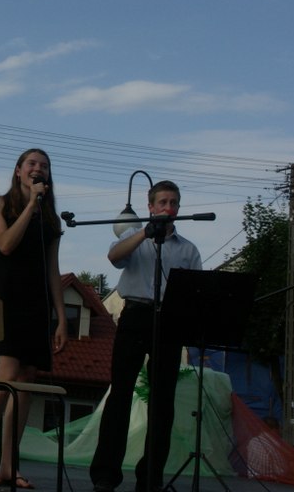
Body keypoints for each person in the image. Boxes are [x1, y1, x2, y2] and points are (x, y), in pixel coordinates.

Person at [90, 180, 202, 492]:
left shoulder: (188, 249)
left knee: (163, 402)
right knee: (120, 394)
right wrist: (145, 233)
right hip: (136, 314)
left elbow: (194, 292)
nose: (168, 207)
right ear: (151, 207)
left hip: (169, 321)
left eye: (173, 203)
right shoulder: (134, 235)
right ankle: (105, 475)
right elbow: (114, 257)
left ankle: (150, 478)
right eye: (162, 202)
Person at [0, 148, 68, 489]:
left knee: (25, 382)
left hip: (37, 304)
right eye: (32, 164)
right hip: (7, 299)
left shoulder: (51, 221)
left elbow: (52, 269)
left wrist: (61, 317)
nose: (39, 169)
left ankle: (9, 464)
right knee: (5, 376)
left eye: (45, 166)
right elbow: (6, 244)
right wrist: (30, 206)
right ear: (19, 171)